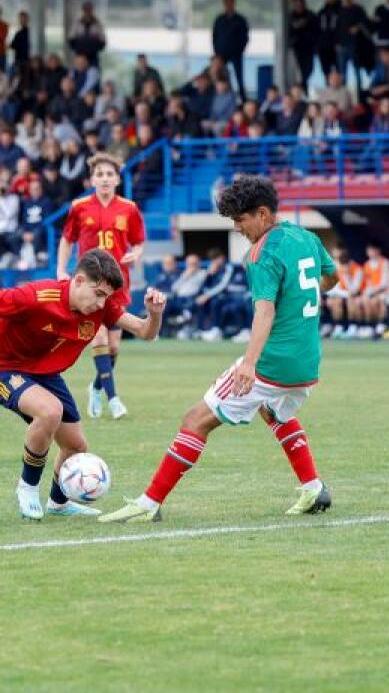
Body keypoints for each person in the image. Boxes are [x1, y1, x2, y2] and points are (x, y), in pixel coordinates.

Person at [100, 175, 336, 523]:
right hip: (307, 362)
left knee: (196, 420)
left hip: (273, 362)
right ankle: (313, 487)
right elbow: (331, 278)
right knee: (273, 410)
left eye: (241, 221)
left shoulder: (261, 253)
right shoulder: (307, 238)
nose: (238, 229)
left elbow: (264, 310)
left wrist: (249, 364)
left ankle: (148, 503)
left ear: (262, 213)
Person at [0, 249, 165, 520]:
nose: (102, 303)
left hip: (46, 375)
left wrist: (154, 314)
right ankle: (27, 488)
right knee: (49, 411)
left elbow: (145, 332)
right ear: (78, 280)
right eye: (98, 294)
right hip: (2, 369)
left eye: (107, 297)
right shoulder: (36, 296)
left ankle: (58, 503)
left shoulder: (99, 308)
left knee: (76, 446)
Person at [56, 153, 146, 420]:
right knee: (99, 338)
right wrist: (61, 270)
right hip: (90, 285)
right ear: (92, 179)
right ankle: (114, 398)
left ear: (117, 179)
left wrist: (137, 253)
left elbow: (139, 240)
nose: (105, 179)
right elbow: (67, 239)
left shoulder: (129, 208)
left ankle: (96, 387)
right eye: (100, 174)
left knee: (114, 347)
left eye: (109, 174)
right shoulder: (80, 206)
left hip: (118, 284)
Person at [212, 0, 250, 100]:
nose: (228, 5)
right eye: (226, 3)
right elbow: (214, 36)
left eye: (230, 3)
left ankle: (243, 99)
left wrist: (240, 49)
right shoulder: (220, 19)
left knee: (239, 78)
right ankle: (221, 97)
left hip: (236, 53)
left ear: (234, 4)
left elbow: (245, 36)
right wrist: (217, 53)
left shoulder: (240, 19)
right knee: (220, 77)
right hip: (221, 54)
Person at [68, 1, 107, 67]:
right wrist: (79, 45)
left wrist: (94, 45)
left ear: (92, 10)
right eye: (86, 9)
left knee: (94, 71)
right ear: (83, 10)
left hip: (93, 54)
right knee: (79, 71)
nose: (88, 11)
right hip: (80, 53)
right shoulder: (77, 23)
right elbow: (71, 38)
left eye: (89, 9)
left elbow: (103, 40)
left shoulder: (97, 24)